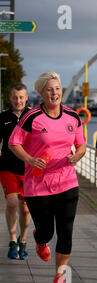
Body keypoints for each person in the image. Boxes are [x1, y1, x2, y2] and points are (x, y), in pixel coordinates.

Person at [9, 71, 86, 283]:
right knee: (46, 232)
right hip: (37, 185)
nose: (55, 93)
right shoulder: (31, 117)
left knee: (66, 232)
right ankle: (40, 240)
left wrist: (77, 156)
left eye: (57, 89)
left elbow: (81, 145)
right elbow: (15, 143)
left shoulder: (73, 116)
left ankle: (59, 278)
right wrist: (30, 159)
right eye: (49, 89)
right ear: (41, 93)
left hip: (67, 182)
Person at [0, 83, 31, 259]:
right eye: (15, 97)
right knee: (12, 203)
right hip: (7, 168)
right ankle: (12, 240)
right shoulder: (2, 117)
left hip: (28, 169)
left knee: (26, 210)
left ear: (26, 98)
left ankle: (23, 241)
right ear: (10, 98)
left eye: (21, 97)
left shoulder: (33, 116)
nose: (18, 101)